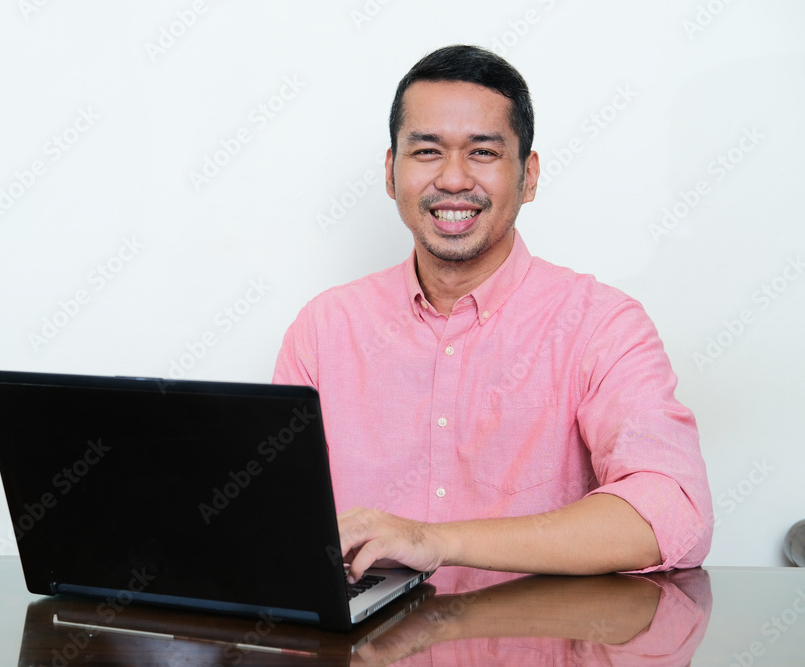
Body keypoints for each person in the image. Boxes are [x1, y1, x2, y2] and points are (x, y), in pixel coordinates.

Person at [272, 45, 712, 584]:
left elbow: (672, 511)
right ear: (391, 173)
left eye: (482, 153)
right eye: (427, 152)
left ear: (528, 176)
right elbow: (277, 522)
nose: (453, 180)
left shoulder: (602, 326)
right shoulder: (323, 330)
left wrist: (437, 541)